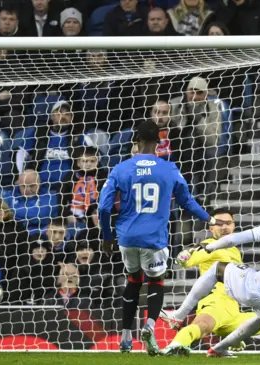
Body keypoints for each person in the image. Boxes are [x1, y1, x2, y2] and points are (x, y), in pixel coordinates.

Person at [98, 120, 216, 355]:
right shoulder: (168, 168)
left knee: (133, 281)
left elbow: (103, 207)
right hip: (154, 238)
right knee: (156, 281)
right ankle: (150, 327)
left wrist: (107, 236)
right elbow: (186, 201)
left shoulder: (121, 169)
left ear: (136, 141)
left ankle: (125, 338)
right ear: (159, 142)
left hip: (127, 237)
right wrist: (209, 219)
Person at [159, 207, 260, 357]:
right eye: (219, 223)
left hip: (235, 311)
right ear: (211, 228)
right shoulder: (210, 245)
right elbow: (191, 257)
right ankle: (176, 343)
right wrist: (184, 257)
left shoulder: (233, 250)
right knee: (201, 325)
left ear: (234, 225)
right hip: (215, 305)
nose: (224, 227)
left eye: (228, 223)